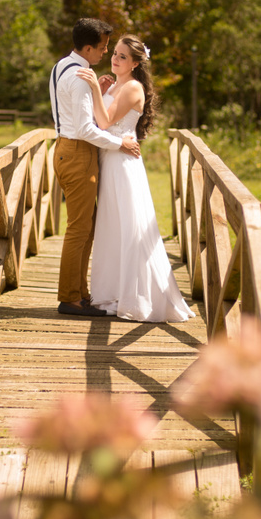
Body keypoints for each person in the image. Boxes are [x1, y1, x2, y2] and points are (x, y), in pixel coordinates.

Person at [76, 34, 193, 323]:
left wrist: (94, 89)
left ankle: (136, 296)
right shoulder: (116, 85)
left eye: (123, 56)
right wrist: (103, 89)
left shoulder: (132, 87)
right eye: (114, 53)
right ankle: (113, 293)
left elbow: (104, 122)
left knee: (128, 227)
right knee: (111, 228)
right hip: (109, 159)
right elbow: (98, 120)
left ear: (136, 63)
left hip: (122, 165)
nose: (115, 59)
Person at [51, 19, 141, 317]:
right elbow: (86, 129)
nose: (105, 53)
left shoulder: (61, 66)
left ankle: (80, 293)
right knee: (79, 229)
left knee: (85, 227)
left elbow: (74, 114)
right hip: (78, 153)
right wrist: (120, 144)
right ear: (88, 48)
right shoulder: (80, 77)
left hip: (67, 149)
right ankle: (70, 298)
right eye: (103, 47)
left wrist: (97, 94)